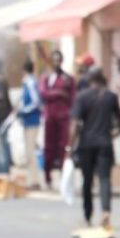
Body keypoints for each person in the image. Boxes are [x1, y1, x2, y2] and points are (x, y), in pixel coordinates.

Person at [68, 67, 120, 229]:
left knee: (87, 181)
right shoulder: (111, 97)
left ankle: (87, 215)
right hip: (105, 143)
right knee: (105, 179)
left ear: (89, 79)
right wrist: (116, 133)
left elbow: (74, 125)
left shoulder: (82, 97)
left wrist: (69, 146)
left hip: (86, 145)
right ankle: (105, 212)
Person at [39, 50, 76, 190]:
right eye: (53, 59)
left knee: (63, 147)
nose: (56, 62)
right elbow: (43, 94)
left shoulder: (68, 79)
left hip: (63, 117)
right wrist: (59, 93)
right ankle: (47, 177)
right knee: (48, 148)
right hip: (49, 117)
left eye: (58, 59)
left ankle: (62, 177)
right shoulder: (46, 78)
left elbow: (72, 97)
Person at [18, 59, 42, 189]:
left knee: (30, 151)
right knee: (29, 151)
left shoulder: (30, 83)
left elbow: (36, 102)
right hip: (28, 121)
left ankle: (34, 181)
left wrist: (23, 110)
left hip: (32, 121)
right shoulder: (27, 82)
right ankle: (32, 179)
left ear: (24, 70)